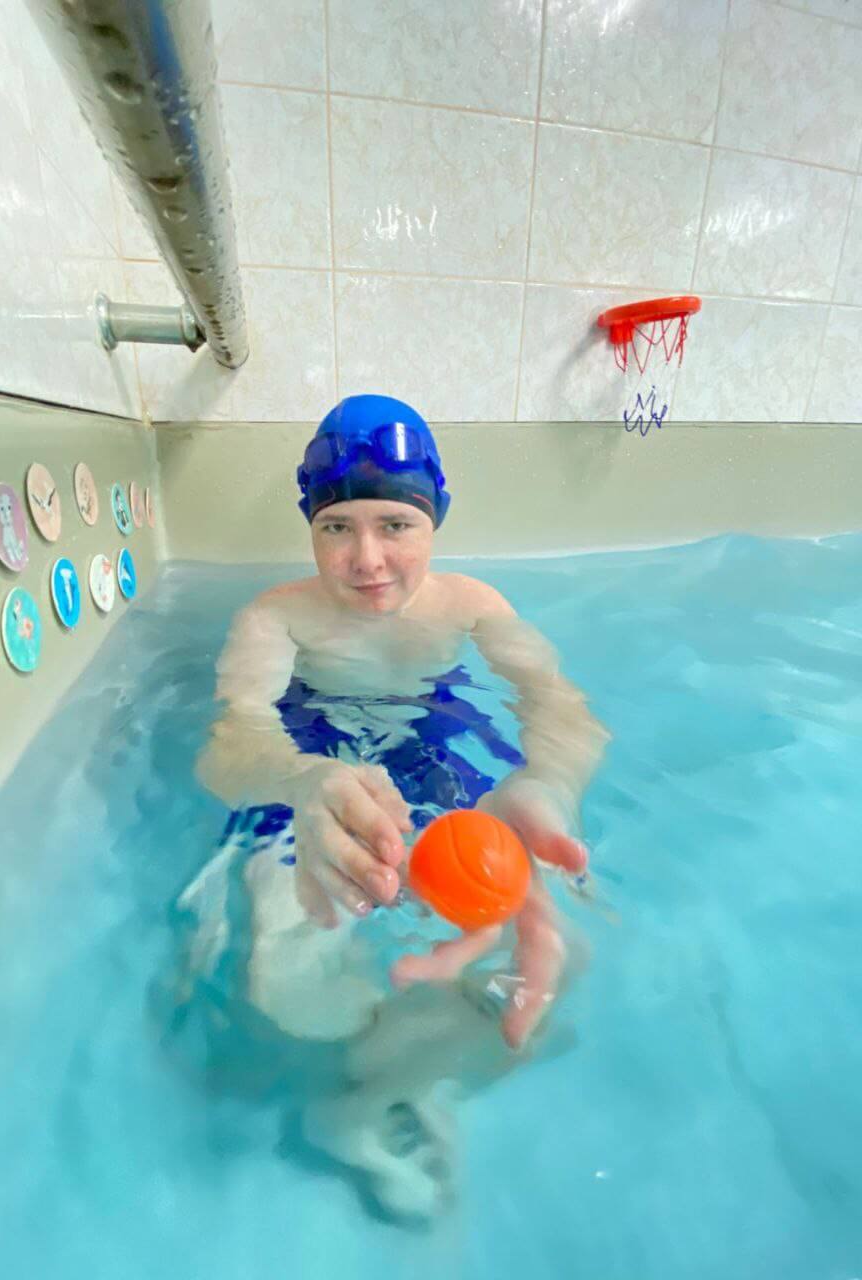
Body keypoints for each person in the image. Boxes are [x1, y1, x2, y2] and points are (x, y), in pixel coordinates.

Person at [182, 394, 609, 1219]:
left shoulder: (472, 605)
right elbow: (230, 745)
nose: (367, 559)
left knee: (558, 951)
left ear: (435, 516)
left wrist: (543, 785)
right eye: (337, 527)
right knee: (286, 982)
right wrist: (302, 780)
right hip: (312, 757)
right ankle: (366, 1087)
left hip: (434, 747)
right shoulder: (275, 618)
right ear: (311, 528)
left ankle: (395, 1081)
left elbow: (560, 708)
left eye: (396, 525)